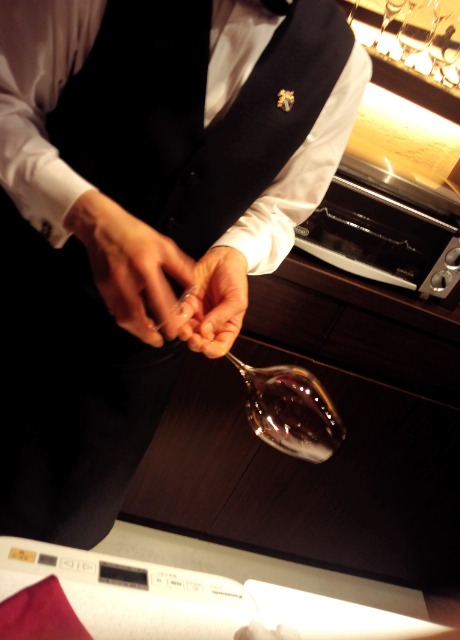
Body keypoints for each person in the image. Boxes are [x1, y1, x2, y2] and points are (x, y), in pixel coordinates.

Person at [0, 0, 372, 549]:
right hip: (19, 295)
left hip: (136, 367)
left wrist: (235, 252)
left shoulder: (344, 64)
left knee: (61, 538)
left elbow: (281, 208)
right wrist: (86, 213)